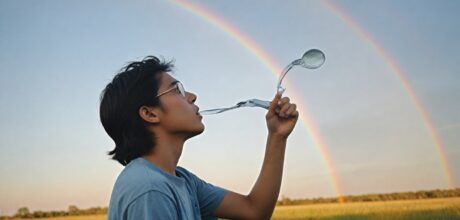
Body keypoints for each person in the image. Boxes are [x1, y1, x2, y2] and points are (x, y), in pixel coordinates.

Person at [100, 56, 298, 220]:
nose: (193, 96)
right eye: (177, 90)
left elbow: (254, 210)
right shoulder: (150, 190)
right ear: (150, 114)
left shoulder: (182, 180)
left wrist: (277, 136)